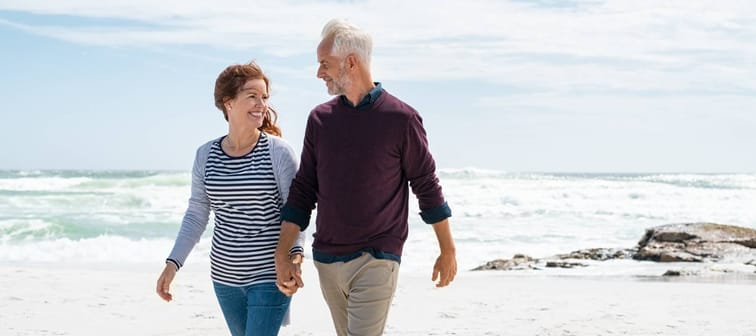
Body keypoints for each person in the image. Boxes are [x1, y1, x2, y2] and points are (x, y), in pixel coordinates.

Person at [274, 19, 457, 335]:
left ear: (351, 62)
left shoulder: (402, 119)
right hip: (326, 260)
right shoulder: (320, 120)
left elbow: (426, 183)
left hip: (376, 258)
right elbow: (304, 189)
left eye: (324, 64)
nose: (319, 73)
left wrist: (448, 249)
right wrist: (283, 253)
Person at [156, 61, 306, 336]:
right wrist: (172, 264)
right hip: (224, 278)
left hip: (269, 275)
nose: (261, 104)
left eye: (264, 97)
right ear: (229, 103)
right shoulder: (206, 155)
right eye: (252, 96)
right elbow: (197, 214)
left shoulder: (279, 153)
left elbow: (295, 212)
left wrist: (295, 257)